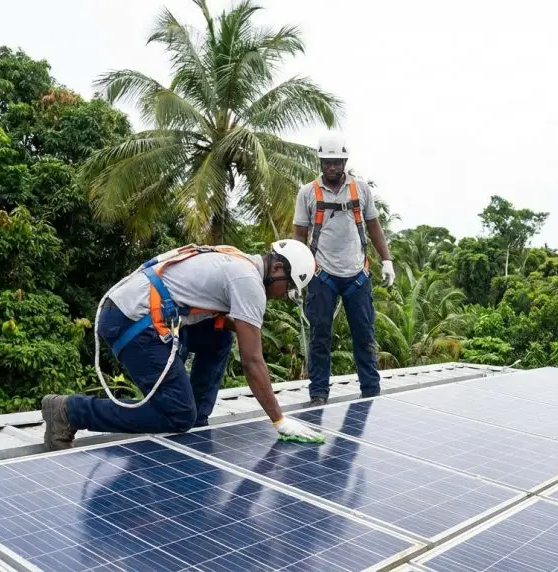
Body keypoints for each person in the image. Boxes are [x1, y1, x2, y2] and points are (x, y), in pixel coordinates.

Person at [40, 240, 325, 451]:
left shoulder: (238, 260)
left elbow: (224, 322)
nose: (283, 294)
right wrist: (279, 420)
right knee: (178, 414)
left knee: (219, 336)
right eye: (286, 286)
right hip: (134, 323)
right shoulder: (248, 280)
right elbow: (252, 361)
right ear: (276, 267)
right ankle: (69, 411)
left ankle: (196, 418)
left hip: (136, 313)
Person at [293, 133, 394, 407]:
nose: (332, 167)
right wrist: (295, 275)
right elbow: (299, 236)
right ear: (321, 162)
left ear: (344, 161)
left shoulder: (360, 190)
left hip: (356, 275)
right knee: (320, 336)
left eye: (337, 162)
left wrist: (387, 260)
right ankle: (318, 393)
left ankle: (371, 390)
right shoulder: (308, 192)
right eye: (327, 162)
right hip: (322, 274)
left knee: (364, 334)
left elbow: (374, 227)